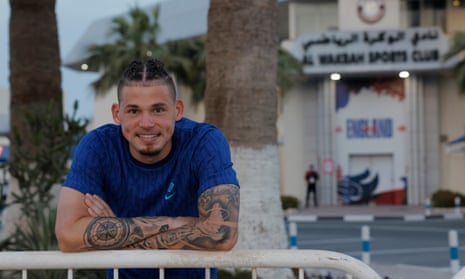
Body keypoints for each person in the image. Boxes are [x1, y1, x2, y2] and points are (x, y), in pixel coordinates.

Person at [55, 59, 240, 279]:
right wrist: (174, 223)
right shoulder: (98, 146)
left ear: (177, 110)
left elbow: (222, 233)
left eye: (158, 110)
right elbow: (67, 235)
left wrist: (115, 233)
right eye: (133, 111)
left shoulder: (204, 142)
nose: (146, 123)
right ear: (117, 113)